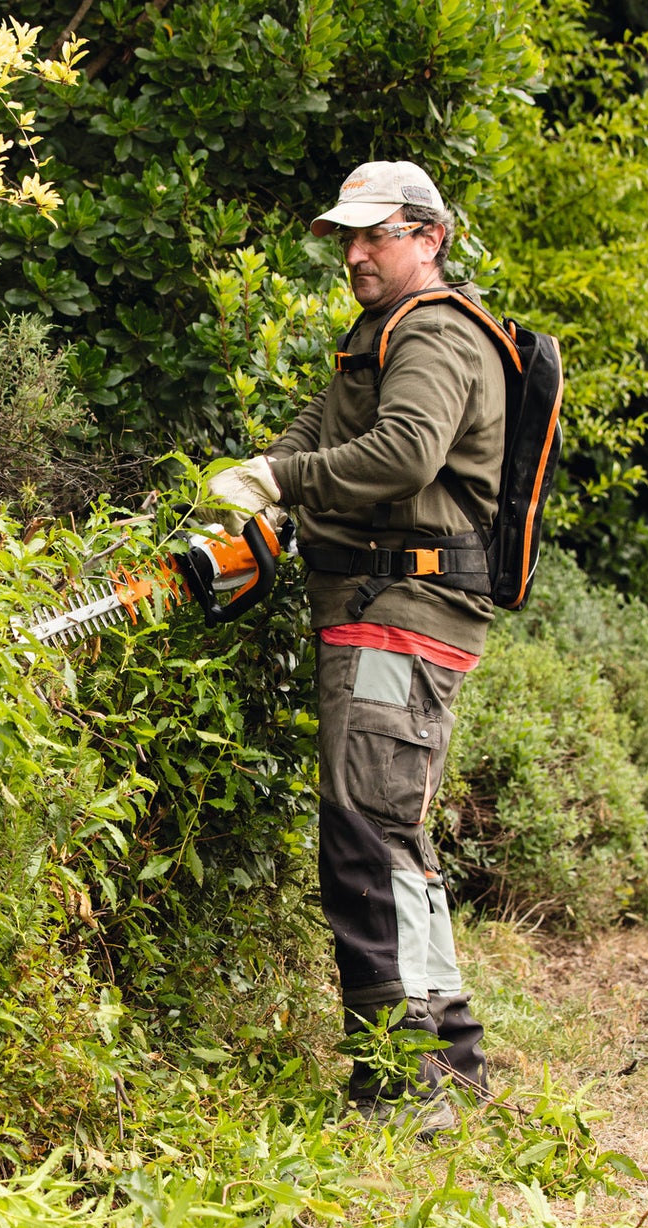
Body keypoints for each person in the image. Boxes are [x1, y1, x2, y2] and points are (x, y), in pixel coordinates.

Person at [204, 160, 504, 1130]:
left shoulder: (436, 333)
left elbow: (405, 453)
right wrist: (259, 484)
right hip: (380, 607)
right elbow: (320, 435)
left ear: (429, 236)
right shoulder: (377, 335)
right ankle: (446, 1067)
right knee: (393, 843)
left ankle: (400, 1090)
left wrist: (283, 482)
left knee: (365, 846)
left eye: (376, 233)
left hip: (401, 611)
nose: (355, 251)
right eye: (347, 234)